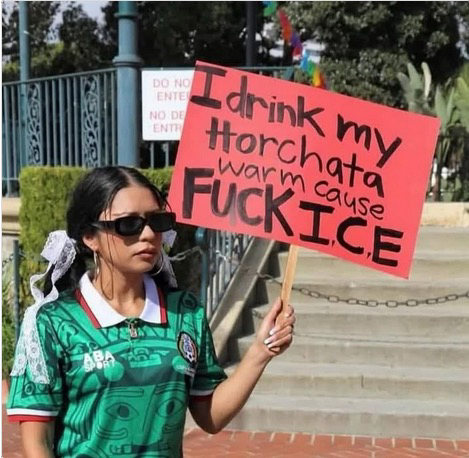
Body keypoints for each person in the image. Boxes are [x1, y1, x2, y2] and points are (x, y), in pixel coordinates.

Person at [6, 166, 295, 458]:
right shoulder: (53, 322)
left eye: (158, 221)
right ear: (90, 236)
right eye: (128, 223)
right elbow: (37, 443)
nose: (148, 234)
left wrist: (260, 353)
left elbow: (211, 417)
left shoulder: (186, 312)